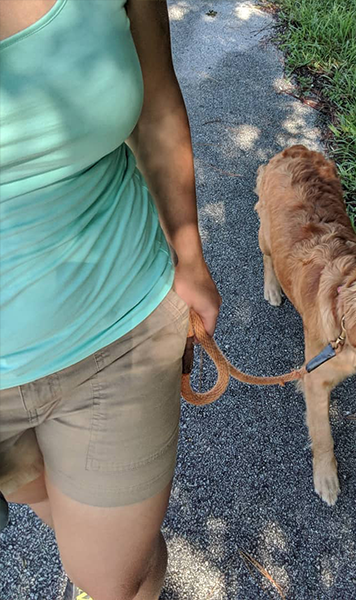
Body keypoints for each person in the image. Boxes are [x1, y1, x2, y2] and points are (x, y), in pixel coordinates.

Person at [0, 1, 221, 598]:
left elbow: (154, 104)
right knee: (31, 483)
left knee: (111, 578)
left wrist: (189, 255)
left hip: (117, 332)